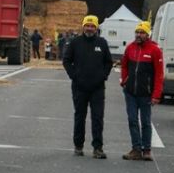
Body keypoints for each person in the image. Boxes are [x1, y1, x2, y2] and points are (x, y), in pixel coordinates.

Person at [62, 15, 114, 159]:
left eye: (92, 26)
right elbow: (66, 60)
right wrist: (74, 76)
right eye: (87, 25)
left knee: (97, 118)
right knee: (80, 117)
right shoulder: (75, 42)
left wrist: (103, 76)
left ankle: (98, 148)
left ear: (96, 28)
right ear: (83, 26)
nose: (89, 28)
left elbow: (109, 63)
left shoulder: (102, 43)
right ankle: (78, 146)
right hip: (79, 87)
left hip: (97, 88)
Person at [119, 21, 163, 161]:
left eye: (142, 32)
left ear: (147, 34)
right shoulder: (130, 48)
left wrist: (156, 94)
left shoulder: (155, 50)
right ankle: (136, 149)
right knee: (132, 120)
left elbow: (159, 75)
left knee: (145, 122)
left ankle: (147, 150)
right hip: (130, 92)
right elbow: (124, 65)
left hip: (146, 94)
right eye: (137, 32)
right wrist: (124, 79)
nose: (139, 35)